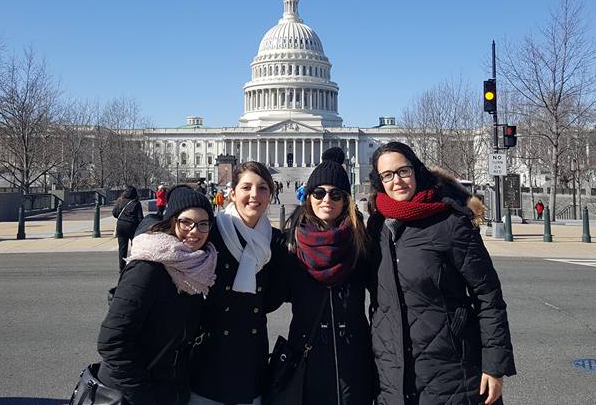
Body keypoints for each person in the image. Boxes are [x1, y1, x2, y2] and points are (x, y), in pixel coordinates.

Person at [367, 141, 516, 405]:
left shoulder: (450, 221)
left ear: (416, 170)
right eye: (387, 175)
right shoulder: (376, 227)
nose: (397, 181)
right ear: (379, 181)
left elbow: (487, 295)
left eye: (403, 171)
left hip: (451, 369)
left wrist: (494, 365)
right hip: (393, 372)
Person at [97, 186, 219, 405]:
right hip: (131, 394)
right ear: (171, 222)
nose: (194, 231)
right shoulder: (148, 267)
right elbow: (112, 341)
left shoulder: (198, 268)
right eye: (186, 222)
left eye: (203, 224)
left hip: (171, 389)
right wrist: (144, 398)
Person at [275, 147, 376, 405]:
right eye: (319, 193)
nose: (326, 199)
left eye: (336, 194)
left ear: (346, 200)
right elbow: (269, 296)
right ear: (308, 196)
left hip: (353, 360)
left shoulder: (361, 243)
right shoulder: (290, 244)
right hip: (306, 356)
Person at [189, 162, 287, 405]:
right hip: (208, 358)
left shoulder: (276, 242)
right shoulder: (210, 234)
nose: (255, 195)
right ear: (232, 193)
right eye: (246, 187)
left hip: (251, 360)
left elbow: (273, 297)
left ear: (270, 195)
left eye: (263, 188)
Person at [112, 185, 145, 272]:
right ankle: (134, 265)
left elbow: (114, 213)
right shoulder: (136, 203)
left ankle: (122, 268)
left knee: (122, 248)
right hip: (131, 226)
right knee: (135, 246)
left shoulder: (120, 201)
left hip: (120, 225)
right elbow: (140, 218)